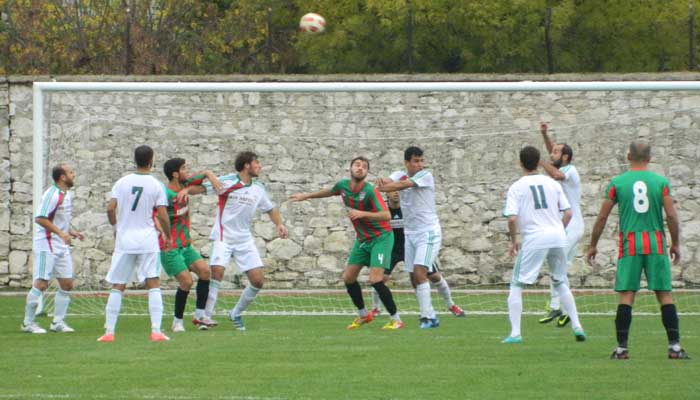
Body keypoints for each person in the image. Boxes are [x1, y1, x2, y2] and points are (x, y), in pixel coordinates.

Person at [587, 141, 689, 360]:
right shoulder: (660, 182)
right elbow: (671, 215)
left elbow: (603, 216)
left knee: (627, 295)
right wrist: (676, 243)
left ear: (628, 156)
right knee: (664, 294)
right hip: (655, 243)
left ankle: (622, 349)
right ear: (650, 158)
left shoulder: (617, 183)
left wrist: (593, 244)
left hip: (630, 244)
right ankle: (675, 348)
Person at [290, 156, 404, 330]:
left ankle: (396, 319)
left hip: (381, 238)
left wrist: (362, 213)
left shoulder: (370, 191)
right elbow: (330, 191)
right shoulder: (343, 186)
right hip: (362, 239)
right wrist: (306, 196)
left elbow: (387, 216)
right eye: (357, 165)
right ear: (350, 169)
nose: (360, 168)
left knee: (375, 279)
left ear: (366, 173)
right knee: (348, 278)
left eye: (364, 167)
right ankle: (363, 314)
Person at [502, 146, 585, 344]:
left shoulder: (516, 187)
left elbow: (512, 219)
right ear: (539, 161)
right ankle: (577, 326)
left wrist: (514, 241)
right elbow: (568, 212)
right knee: (560, 281)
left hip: (535, 238)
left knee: (516, 284)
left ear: (520, 163)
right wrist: (559, 229)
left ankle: (515, 333)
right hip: (557, 236)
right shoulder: (552, 183)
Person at [201, 151, 288, 331]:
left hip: (244, 239)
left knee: (258, 281)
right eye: (257, 163)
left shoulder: (258, 188)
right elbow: (199, 188)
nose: (260, 167)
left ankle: (235, 313)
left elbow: (270, 209)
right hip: (223, 236)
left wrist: (279, 224)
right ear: (247, 165)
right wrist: (207, 175)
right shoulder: (227, 181)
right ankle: (205, 317)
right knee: (217, 271)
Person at [98, 145, 172, 342]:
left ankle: (109, 332)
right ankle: (156, 330)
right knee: (153, 282)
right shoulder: (156, 185)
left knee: (118, 284)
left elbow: (110, 208)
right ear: (151, 160)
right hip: (147, 239)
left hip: (125, 239)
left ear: (135, 159)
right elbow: (163, 214)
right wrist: (168, 235)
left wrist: (116, 227)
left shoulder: (121, 182)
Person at [370, 190, 465, 318]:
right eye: (392, 191)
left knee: (434, 277)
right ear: (386, 194)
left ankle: (451, 305)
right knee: (380, 279)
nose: (396, 193)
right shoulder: (384, 212)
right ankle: (376, 308)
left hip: (412, 246)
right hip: (392, 249)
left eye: (398, 191)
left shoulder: (409, 210)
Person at [376, 146, 441, 329]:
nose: (420, 164)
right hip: (410, 233)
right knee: (414, 277)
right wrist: (382, 181)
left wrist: (384, 187)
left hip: (428, 232)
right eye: (416, 161)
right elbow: (391, 180)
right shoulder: (399, 173)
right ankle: (430, 315)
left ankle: (427, 317)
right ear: (407, 163)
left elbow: (401, 185)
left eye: (421, 160)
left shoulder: (425, 176)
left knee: (421, 273)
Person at [158, 158, 221, 332]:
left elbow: (203, 175)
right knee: (186, 281)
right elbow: (156, 215)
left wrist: (209, 176)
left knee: (205, 271)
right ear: (175, 174)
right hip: (169, 247)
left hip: (185, 245)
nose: (187, 171)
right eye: (184, 168)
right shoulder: (165, 194)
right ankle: (177, 322)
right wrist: (163, 234)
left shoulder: (184, 184)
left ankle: (200, 316)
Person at [22, 163, 84, 334]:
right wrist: (61, 234)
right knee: (41, 283)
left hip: (60, 244)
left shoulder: (66, 194)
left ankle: (57, 322)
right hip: (46, 244)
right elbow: (40, 218)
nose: (74, 174)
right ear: (63, 177)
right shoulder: (52, 194)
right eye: (71, 172)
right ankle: (28, 323)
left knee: (67, 283)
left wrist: (72, 232)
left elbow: (56, 219)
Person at [537, 122, 584, 327]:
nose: (551, 154)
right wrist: (545, 134)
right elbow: (552, 158)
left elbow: (556, 174)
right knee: (558, 265)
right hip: (564, 226)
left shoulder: (570, 170)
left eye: (556, 152)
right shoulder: (560, 163)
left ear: (565, 157)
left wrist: (538, 161)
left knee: (556, 263)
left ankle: (557, 306)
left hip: (572, 225)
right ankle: (563, 309)